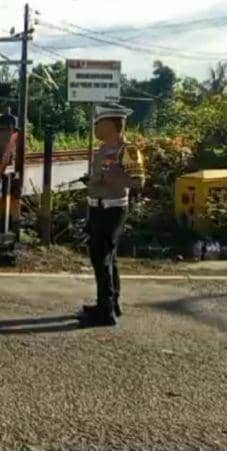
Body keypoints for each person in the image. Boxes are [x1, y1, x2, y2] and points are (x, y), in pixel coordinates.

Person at [80, 103, 145, 326]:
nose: (95, 127)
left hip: (112, 209)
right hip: (97, 207)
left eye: (99, 123)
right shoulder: (103, 149)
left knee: (102, 258)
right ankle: (110, 303)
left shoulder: (127, 150)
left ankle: (105, 311)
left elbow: (138, 181)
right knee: (108, 258)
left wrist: (112, 179)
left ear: (110, 126)